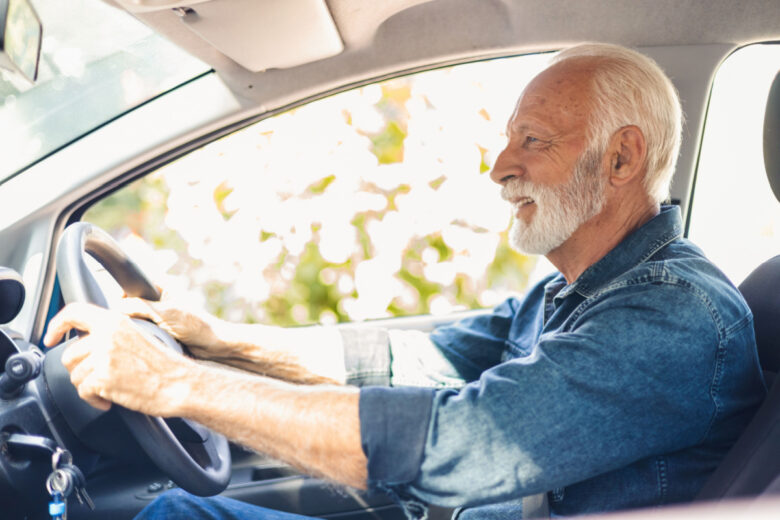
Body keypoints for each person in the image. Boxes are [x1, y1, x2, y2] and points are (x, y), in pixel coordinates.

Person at [43, 43, 766, 519]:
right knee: (177, 512)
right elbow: (415, 363)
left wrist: (174, 386)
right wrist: (213, 340)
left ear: (621, 159)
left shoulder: (672, 316)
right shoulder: (570, 295)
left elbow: (465, 442)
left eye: (533, 140)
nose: (499, 167)